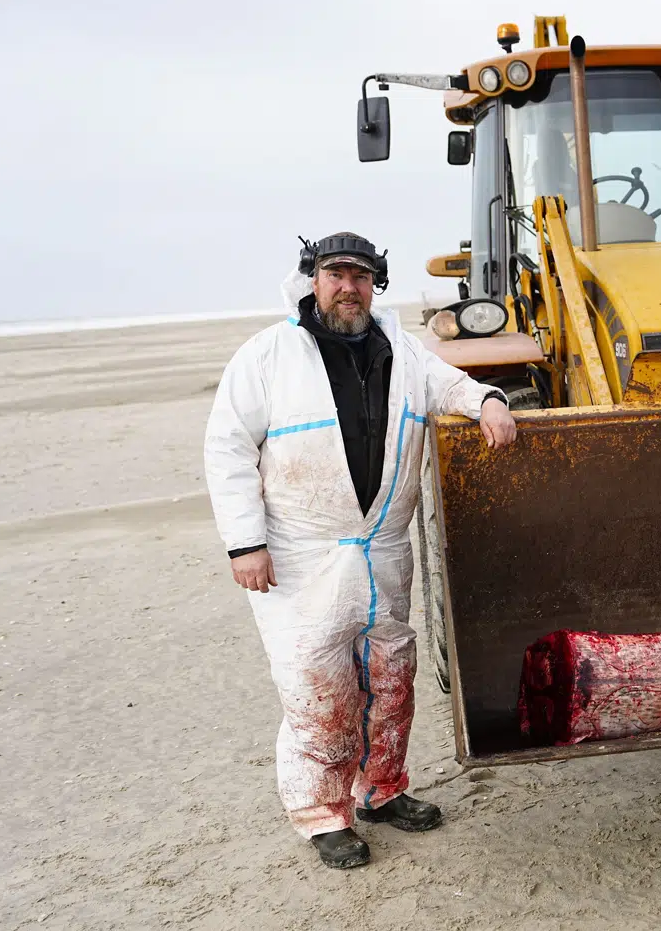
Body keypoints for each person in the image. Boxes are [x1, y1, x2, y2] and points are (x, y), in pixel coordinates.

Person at [203, 232, 516, 869]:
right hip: (299, 555)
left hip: (381, 550)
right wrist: (245, 544)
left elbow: (450, 385)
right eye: (335, 274)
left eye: (362, 275)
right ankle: (323, 815)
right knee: (317, 688)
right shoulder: (268, 356)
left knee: (388, 679)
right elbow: (228, 449)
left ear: (377, 283)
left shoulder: (401, 350)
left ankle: (381, 791)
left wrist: (489, 401)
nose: (349, 286)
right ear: (311, 280)